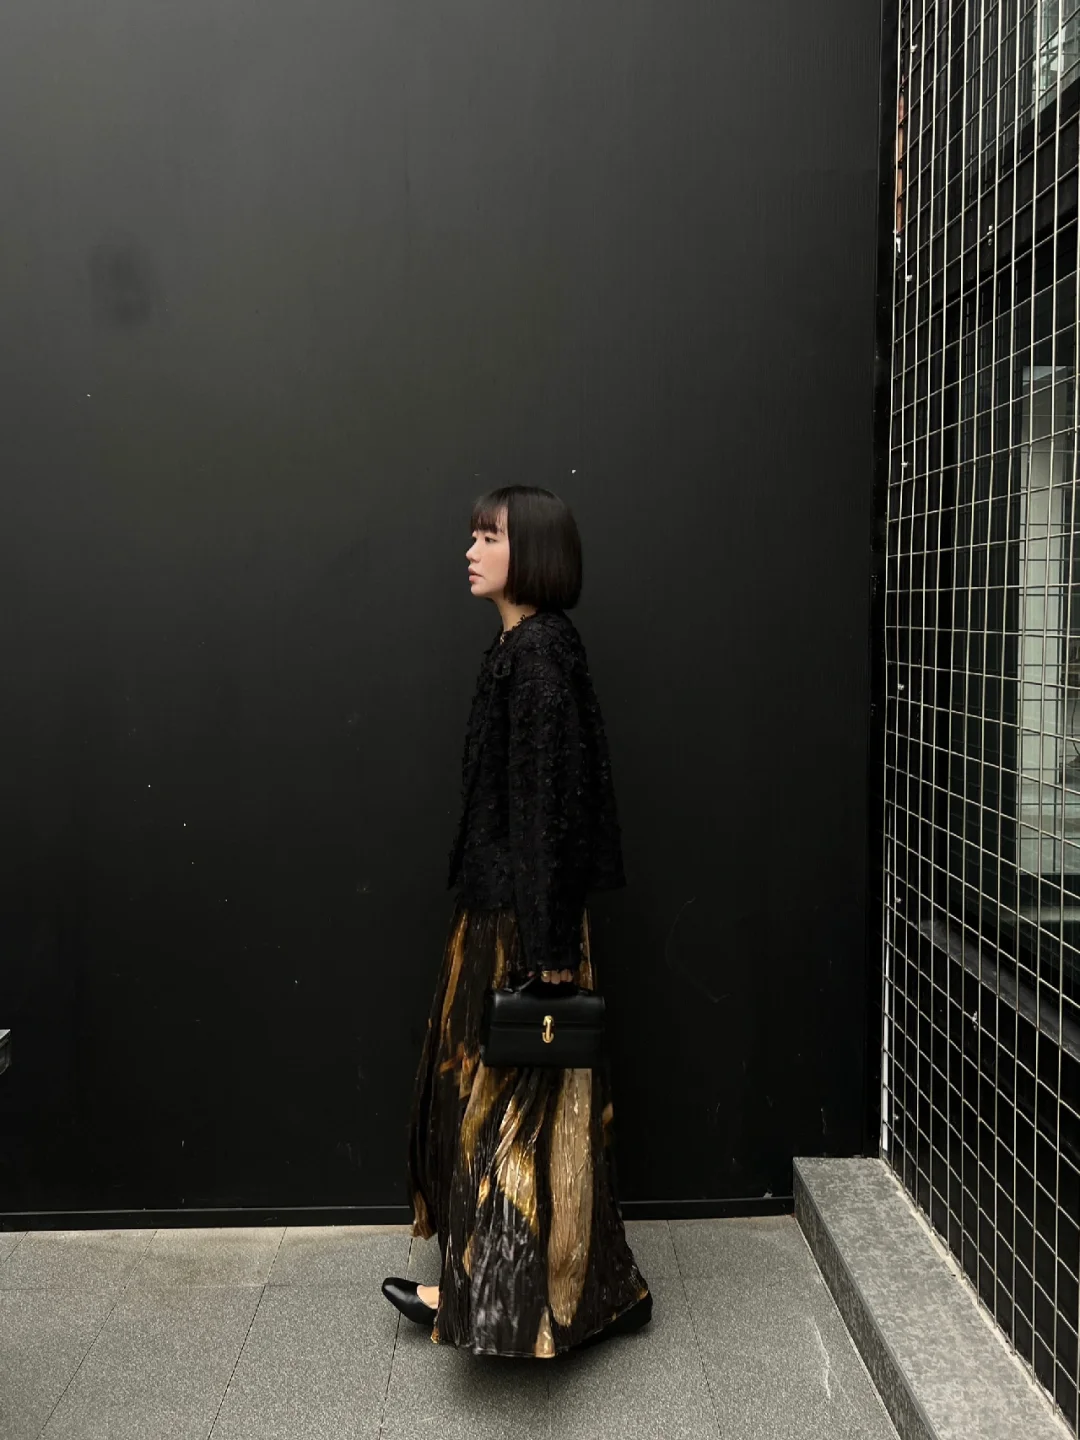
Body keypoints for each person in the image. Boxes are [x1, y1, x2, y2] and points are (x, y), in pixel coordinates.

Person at [381, 484, 651, 1359]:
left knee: (510, 1118)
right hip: (511, 914)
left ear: (530, 552)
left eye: (489, 537)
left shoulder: (536, 657)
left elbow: (547, 816)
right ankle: (587, 1292)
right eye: (473, 535)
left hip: (523, 926)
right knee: (538, 1114)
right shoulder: (521, 648)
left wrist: (546, 949)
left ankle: (502, 1299)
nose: (470, 550)